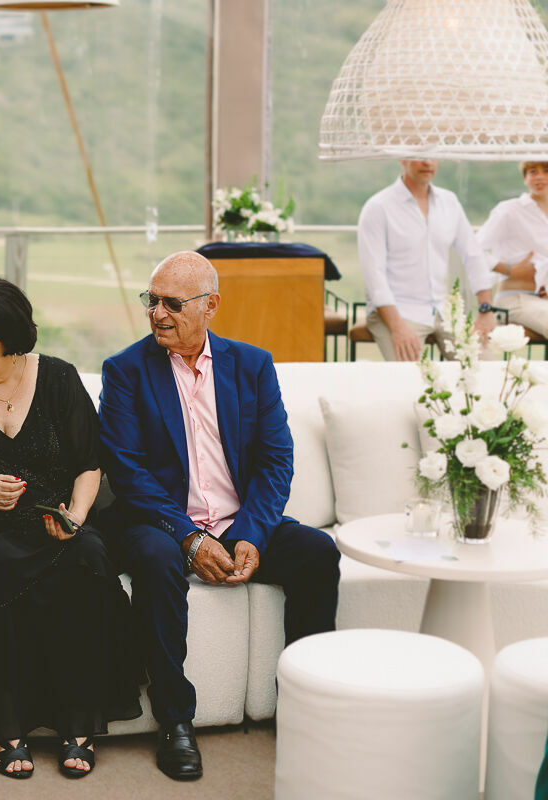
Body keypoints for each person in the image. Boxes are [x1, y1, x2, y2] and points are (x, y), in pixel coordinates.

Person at [98, 251, 340, 782]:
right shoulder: (125, 372)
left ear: (211, 306)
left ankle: (305, 700)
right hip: (161, 522)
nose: (157, 313)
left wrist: (251, 533)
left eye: (172, 303)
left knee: (318, 553)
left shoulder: (251, 365)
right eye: (152, 300)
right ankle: (175, 719)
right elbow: (128, 472)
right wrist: (189, 538)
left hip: (237, 519)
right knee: (158, 562)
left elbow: (277, 459)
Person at [0, 276, 143, 781]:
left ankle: (77, 722)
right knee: (5, 565)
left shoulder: (59, 379)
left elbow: (89, 462)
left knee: (88, 561)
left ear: (11, 338)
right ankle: (7, 726)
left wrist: (77, 516)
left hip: (57, 521)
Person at [357, 159, 525, 361]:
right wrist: (397, 328)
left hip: (444, 311)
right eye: (420, 154)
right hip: (398, 312)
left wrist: (485, 309)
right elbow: (374, 276)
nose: (427, 162)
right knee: (412, 380)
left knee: (485, 369)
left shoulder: (449, 202)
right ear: (403, 158)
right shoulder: (378, 207)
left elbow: (473, 255)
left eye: (433, 155)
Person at [476, 161, 548, 337]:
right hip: (515, 300)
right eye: (532, 171)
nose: (539, 176)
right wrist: (509, 270)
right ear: (525, 179)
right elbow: (474, 250)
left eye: (546, 171)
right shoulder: (509, 210)